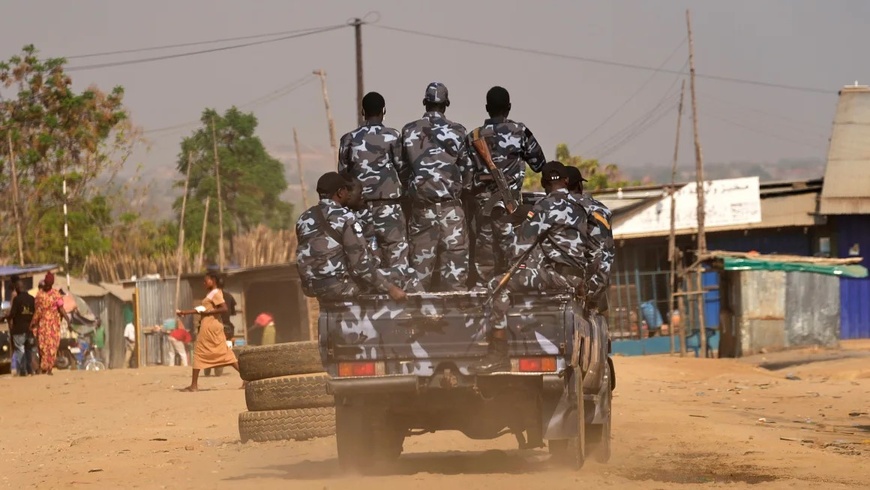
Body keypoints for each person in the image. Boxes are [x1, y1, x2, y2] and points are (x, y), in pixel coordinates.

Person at [472, 161, 590, 374]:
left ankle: (498, 353)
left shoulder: (544, 207)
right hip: (577, 278)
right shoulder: (580, 207)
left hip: (557, 277)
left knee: (497, 286)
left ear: (544, 183)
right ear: (566, 181)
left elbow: (519, 247)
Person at [463, 86, 547, 285]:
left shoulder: (473, 136)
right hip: (511, 213)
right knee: (514, 264)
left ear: (487, 108)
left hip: (482, 213)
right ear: (509, 107)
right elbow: (539, 164)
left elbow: (465, 178)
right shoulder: (519, 132)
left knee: (484, 268)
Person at [401, 82, 469, 291]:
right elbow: (467, 172)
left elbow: (402, 171)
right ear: (446, 104)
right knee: (456, 278)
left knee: (419, 277)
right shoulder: (458, 131)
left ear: (425, 102)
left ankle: (420, 322)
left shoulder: (409, 130)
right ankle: (456, 321)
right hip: (452, 211)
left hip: (422, 211)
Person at [295, 172, 407, 301]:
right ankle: (424, 317)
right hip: (339, 287)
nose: (349, 194)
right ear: (340, 192)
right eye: (346, 190)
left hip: (312, 288)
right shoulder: (345, 217)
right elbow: (361, 266)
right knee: (407, 276)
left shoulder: (303, 218)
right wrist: (390, 288)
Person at [338, 91, 409, 271]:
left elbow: (342, 174)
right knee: (396, 256)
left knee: (365, 258)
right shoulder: (393, 136)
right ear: (383, 111)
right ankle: (397, 294)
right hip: (389, 207)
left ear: (363, 112)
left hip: (359, 209)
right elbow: (403, 169)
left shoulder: (349, 139)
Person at [176, 271, 242, 392]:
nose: (204, 283)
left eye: (206, 280)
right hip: (209, 326)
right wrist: (185, 312)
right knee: (223, 353)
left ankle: (194, 385)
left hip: (211, 327)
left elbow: (224, 308)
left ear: (213, 280)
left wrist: (208, 313)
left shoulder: (216, 293)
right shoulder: (211, 294)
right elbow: (203, 310)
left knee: (201, 352)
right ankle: (246, 378)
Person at [567, 166, 615, 311]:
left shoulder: (546, 208)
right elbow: (604, 256)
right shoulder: (599, 210)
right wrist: (592, 297)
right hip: (589, 298)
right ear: (580, 185)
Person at [30, 272, 71, 376]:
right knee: (42, 346)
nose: (47, 286)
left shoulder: (56, 294)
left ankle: (49, 368)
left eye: (49, 284)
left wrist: (67, 319)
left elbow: (61, 309)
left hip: (53, 325)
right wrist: (33, 322)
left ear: (51, 284)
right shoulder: (39, 295)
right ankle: (42, 367)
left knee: (53, 346)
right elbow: (37, 311)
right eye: (46, 284)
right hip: (43, 324)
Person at [8, 281, 35, 376]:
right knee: (28, 350)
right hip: (30, 330)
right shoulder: (32, 299)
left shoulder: (17, 300)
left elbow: (12, 314)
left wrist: (6, 318)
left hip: (19, 329)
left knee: (20, 350)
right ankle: (30, 369)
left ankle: (23, 371)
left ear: (17, 288)